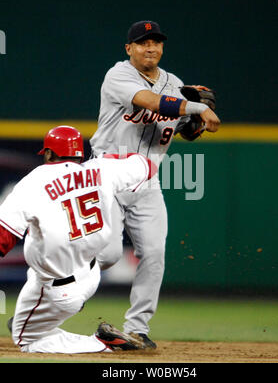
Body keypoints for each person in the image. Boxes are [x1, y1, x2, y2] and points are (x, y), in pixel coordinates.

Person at [90, 20, 221, 348]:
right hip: (109, 173)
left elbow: (184, 131)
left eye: (156, 42)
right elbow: (150, 102)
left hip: (147, 180)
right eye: (143, 42)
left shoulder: (174, 84)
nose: (151, 48)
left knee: (154, 252)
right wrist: (197, 107)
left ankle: (137, 328)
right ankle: (49, 292)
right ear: (129, 48)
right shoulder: (117, 75)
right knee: (105, 256)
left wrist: (194, 123)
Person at [0, 125, 156, 353]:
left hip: (57, 289)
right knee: (31, 293)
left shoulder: (32, 183)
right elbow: (146, 165)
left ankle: (102, 344)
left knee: (28, 341)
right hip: (91, 274)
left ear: (48, 153)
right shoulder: (102, 169)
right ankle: (33, 320)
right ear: (79, 154)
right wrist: (109, 159)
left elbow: (3, 236)